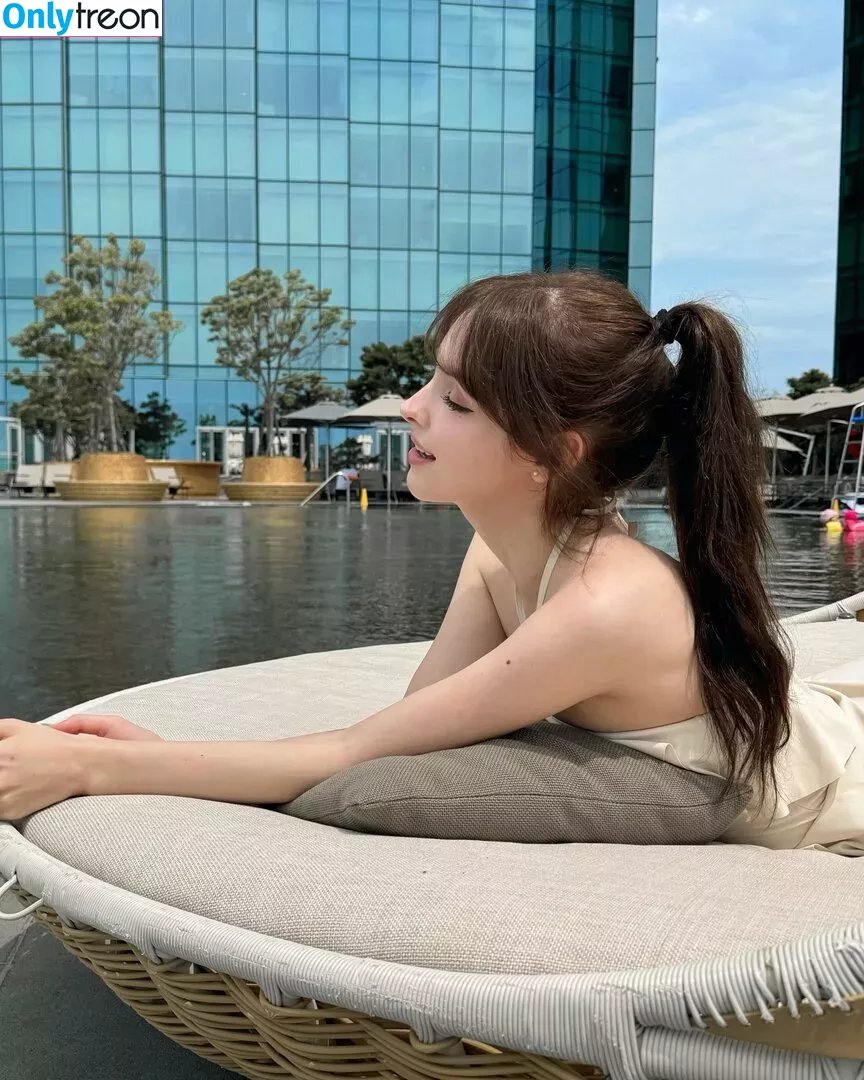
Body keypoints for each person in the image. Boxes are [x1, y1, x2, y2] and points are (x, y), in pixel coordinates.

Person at [2, 269, 863, 854]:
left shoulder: (606, 605)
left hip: (817, 794)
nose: (412, 410)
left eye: (455, 400)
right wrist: (172, 759)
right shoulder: (499, 551)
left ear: (550, 453)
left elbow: (355, 757)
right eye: (429, 382)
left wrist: (95, 767)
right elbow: (402, 737)